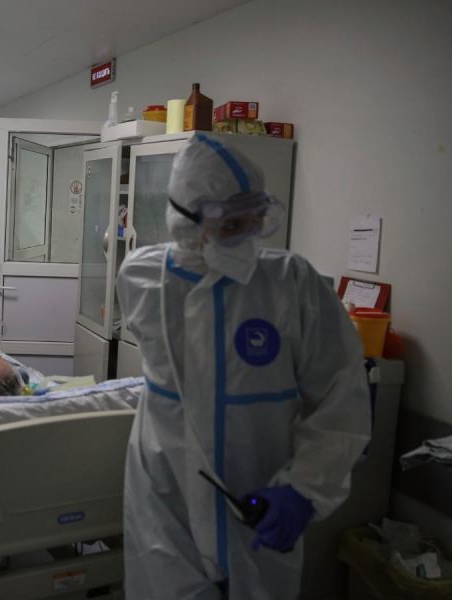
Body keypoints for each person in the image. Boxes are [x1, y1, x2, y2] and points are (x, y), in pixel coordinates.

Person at [116, 133, 371, 599]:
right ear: (186, 221)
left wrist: (305, 489)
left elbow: (342, 399)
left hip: (260, 498)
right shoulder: (143, 279)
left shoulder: (292, 284)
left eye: (254, 219)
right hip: (166, 500)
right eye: (231, 224)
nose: (247, 235)